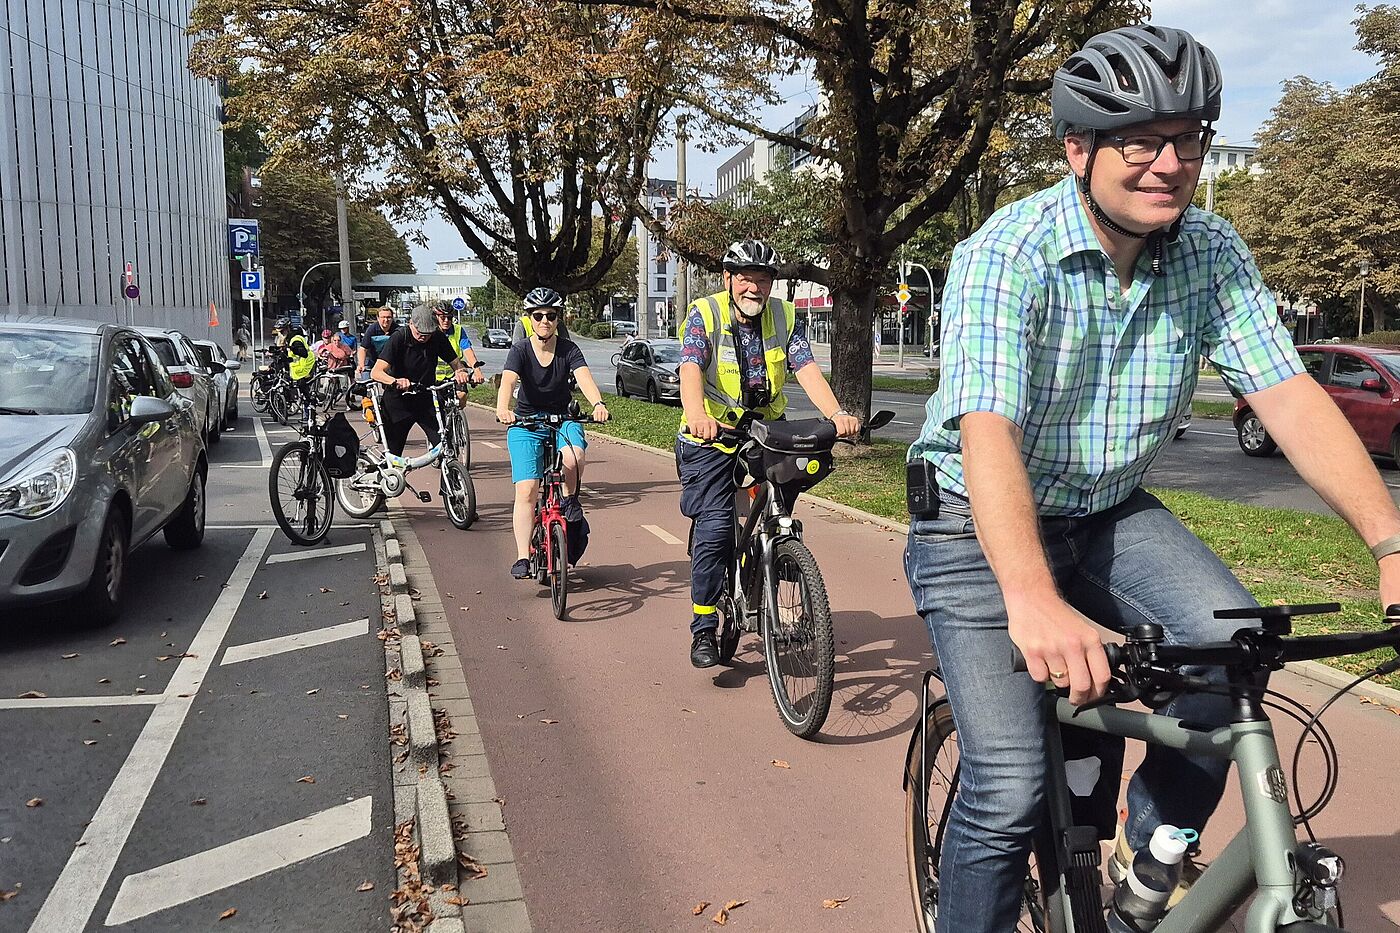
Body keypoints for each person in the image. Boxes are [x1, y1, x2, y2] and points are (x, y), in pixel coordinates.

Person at [901, 26, 1400, 933]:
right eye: (1142, 141)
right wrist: (1031, 596)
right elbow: (988, 431)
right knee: (1009, 786)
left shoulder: (1210, 249)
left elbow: (1287, 395)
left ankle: (1151, 847)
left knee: (1229, 666)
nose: (1170, 163)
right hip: (974, 521)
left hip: (1106, 509)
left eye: (1190, 138)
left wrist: (1390, 541)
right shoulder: (1005, 253)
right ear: (1077, 150)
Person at [676, 239, 860, 668]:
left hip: (764, 433)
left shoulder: (784, 315)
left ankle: (771, 571)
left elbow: (805, 366)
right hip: (712, 435)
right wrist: (696, 414)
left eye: (763, 278)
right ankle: (703, 628)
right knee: (717, 527)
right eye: (746, 277)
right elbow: (689, 367)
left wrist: (836, 413)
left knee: (780, 514)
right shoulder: (707, 314)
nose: (754, 287)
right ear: (729, 279)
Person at [496, 287, 609, 580]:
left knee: (574, 455)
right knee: (527, 490)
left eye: (551, 315)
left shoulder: (569, 349)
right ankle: (523, 556)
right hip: (526, 423)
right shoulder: (520, 350)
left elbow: (584, 377)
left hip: (562, 419)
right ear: (529, 319)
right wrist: (502, 408)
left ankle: (570, 501)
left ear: (558, 318)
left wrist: (597, 403)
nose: (544, 320)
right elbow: (508, 381)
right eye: (538, 315)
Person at [369, 303, 472, 458]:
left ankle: (453, 478)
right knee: (394, 453)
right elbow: (376, 372)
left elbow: (456, 363)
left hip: (426, 399)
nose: (424, 337)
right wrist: (395, 381)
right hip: (398, 402)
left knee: (446, 448)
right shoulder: (399, 337)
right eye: (420, 333)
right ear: (411, 323)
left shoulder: (437, 337)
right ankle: (388, 478)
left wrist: (460, 372)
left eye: (428, 333)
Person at [432, 302, 486, 405]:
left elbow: (468, 351)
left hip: (455, 374)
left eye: (450, 318)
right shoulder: (431, 331)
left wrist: (477, 370)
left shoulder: (458, 330)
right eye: (443, 317)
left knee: (461, 396)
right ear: (436, 317)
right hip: (433, 377)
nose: (447, 321)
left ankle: (456, 418)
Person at [273, 317, 316, 402]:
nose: (280, 335)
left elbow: (303, 353)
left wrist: (291, 348)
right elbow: (286, 355)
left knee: (306, 396)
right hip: (297, 369)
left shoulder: (296, 340)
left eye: (281, 332)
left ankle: (309, 409)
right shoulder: (288, 339)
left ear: (288, 329)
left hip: (305, 368)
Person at [358, 306, 399, 381]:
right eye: (383, 317)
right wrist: (361, 364)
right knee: (366, 382)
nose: (386, 320)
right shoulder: (372, 329)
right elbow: (363, 349)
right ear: (378, 318)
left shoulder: (398, 330)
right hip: (372, 361)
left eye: (388, 317)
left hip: (389, 362)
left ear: (392, 318)